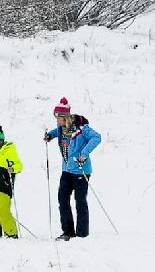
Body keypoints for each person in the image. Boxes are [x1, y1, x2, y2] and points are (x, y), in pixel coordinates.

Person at [44, 97, 102, 241]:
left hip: (81, 170)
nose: (57, 121)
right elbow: (56, 132)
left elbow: (97, 137)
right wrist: (49, 135)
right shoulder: (61, 129)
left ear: (65, 118)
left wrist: (84, 153)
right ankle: (68, 232)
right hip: (67, 170)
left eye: (58, 118)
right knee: (62, 199)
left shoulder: (82, 129)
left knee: (80, 201)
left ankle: (82, 234)